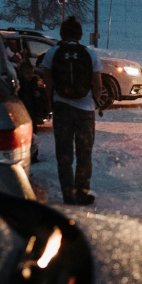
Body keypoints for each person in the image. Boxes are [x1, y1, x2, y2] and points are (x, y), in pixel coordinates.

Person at [40, 16, 103, 206]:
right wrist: (96, 102)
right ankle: (82, 194)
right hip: (85, 110)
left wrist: (51, 103)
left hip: (62, 108)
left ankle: (68, 196)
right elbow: (98, 85)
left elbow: (48, 82)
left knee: (64, 155)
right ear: (80, 35)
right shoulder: (90, 54)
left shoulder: (52, 53)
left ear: (62, 34)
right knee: (84, 154)